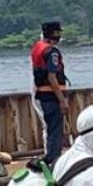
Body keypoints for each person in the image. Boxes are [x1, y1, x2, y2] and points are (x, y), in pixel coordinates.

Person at [32, 21, 70, 165]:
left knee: (49, 128)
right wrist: (62, 100)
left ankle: (50, 156)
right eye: (57, 33)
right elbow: (52, 77)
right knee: (55, 130)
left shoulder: (37, 48)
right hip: (52, 96)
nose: (59, 36)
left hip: (42, 95)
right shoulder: (51, 51)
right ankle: (53, 159)